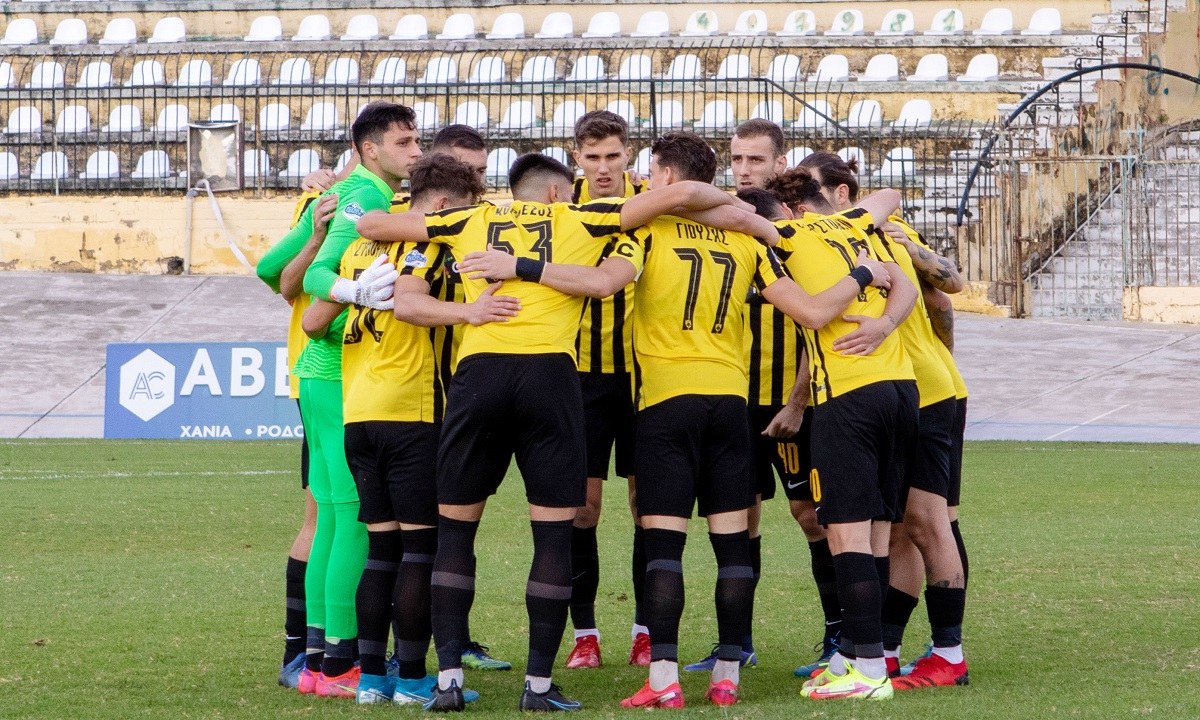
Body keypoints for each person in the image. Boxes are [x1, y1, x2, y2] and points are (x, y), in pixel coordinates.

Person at [454, 133, 893, 709]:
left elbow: (602, 284)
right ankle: (727, 675)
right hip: (730, 403)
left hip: (665, 403)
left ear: (662, 177)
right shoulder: (747, 239)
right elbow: (811, 311)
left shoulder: (647, 230)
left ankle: (663, 680)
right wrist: (862, 277)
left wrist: (523, 267)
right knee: (733, 547)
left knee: (665, 547)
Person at [357, 151, 772, 712]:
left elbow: (372, 226)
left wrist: (470, 314)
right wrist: (746, 212)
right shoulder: (586, 216)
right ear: (557, 193)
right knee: (553, 535)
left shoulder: (468, 218)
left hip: (479, 376)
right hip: (551, 378)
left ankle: (448, 679)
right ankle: (537, 686)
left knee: (455, 533)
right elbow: (679, 196)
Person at [766, 165, 918, 700]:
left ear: (789, 211)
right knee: (874, 533)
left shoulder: (783, 236)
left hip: (847, 397)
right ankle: (855, 654)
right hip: (900, 389)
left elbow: (811, 314)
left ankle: (870, 672)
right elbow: (902, 268)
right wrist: (885, 323)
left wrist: (856, 279)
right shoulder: (853, 225)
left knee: (845, 534)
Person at [290, 101, 423, 698]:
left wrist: (348, 290)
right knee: (355, 521)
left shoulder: (360, 193)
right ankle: (340, 664)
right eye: (404, 143)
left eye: (417, 142)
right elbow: (310, 277)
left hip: (318, 376)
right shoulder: (365, 196)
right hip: (339, 374)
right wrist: (355, 292)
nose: (415, 153)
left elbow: (297, 272)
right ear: (370, 150)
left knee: (331, 518)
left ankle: (318, 660)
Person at [565, 110, 650, 669]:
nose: (602, 168)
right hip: (581, 378)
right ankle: (586, 635)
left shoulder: (653, 203)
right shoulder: (557, 206)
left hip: (645, 377)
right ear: (576, 157)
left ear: (629, 155)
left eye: (612, 156)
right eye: (592, 157)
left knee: (649, 507)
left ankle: (645, 631)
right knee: (582, 508)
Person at [255, 189, 338, 689]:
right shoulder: (326, 203)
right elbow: (282, 282)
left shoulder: (408, 211)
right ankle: (302, 649)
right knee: (325, 517)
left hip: (386, 387)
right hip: (327, 381)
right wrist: (315, 236)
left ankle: (359, 649)